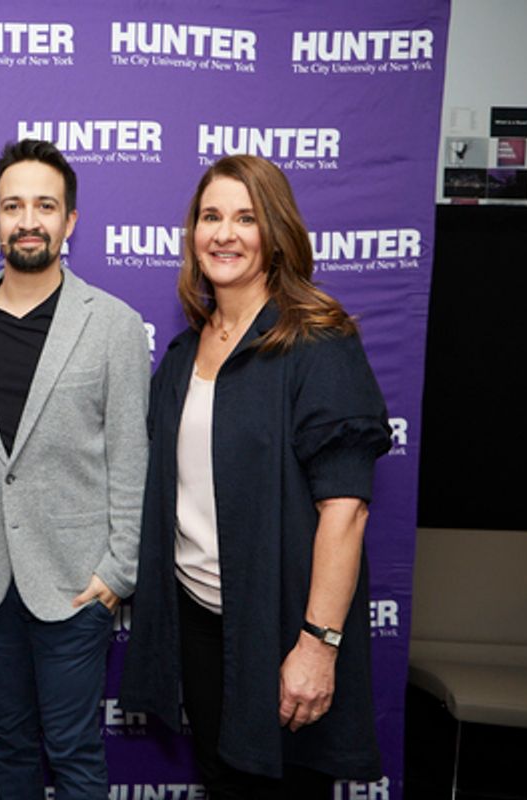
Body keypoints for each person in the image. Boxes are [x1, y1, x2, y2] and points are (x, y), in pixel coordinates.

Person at [120, 155, 392, 798]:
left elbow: (346, 510)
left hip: (284, 631)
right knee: (224, 782)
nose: (224, 233)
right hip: (201, 623)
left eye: (246, 217)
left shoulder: (318, 342)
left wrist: (317, 645)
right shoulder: (186, 352)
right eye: (210, 217)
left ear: (275, 233)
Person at [0, 140, 150, 799]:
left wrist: (116, 574)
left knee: (75, 754)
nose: (29, 219)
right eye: (13, 206)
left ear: (70, 221)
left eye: (45, 206)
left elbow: (131, 457)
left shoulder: (112, 324)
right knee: (12, 748)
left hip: (76, 585)